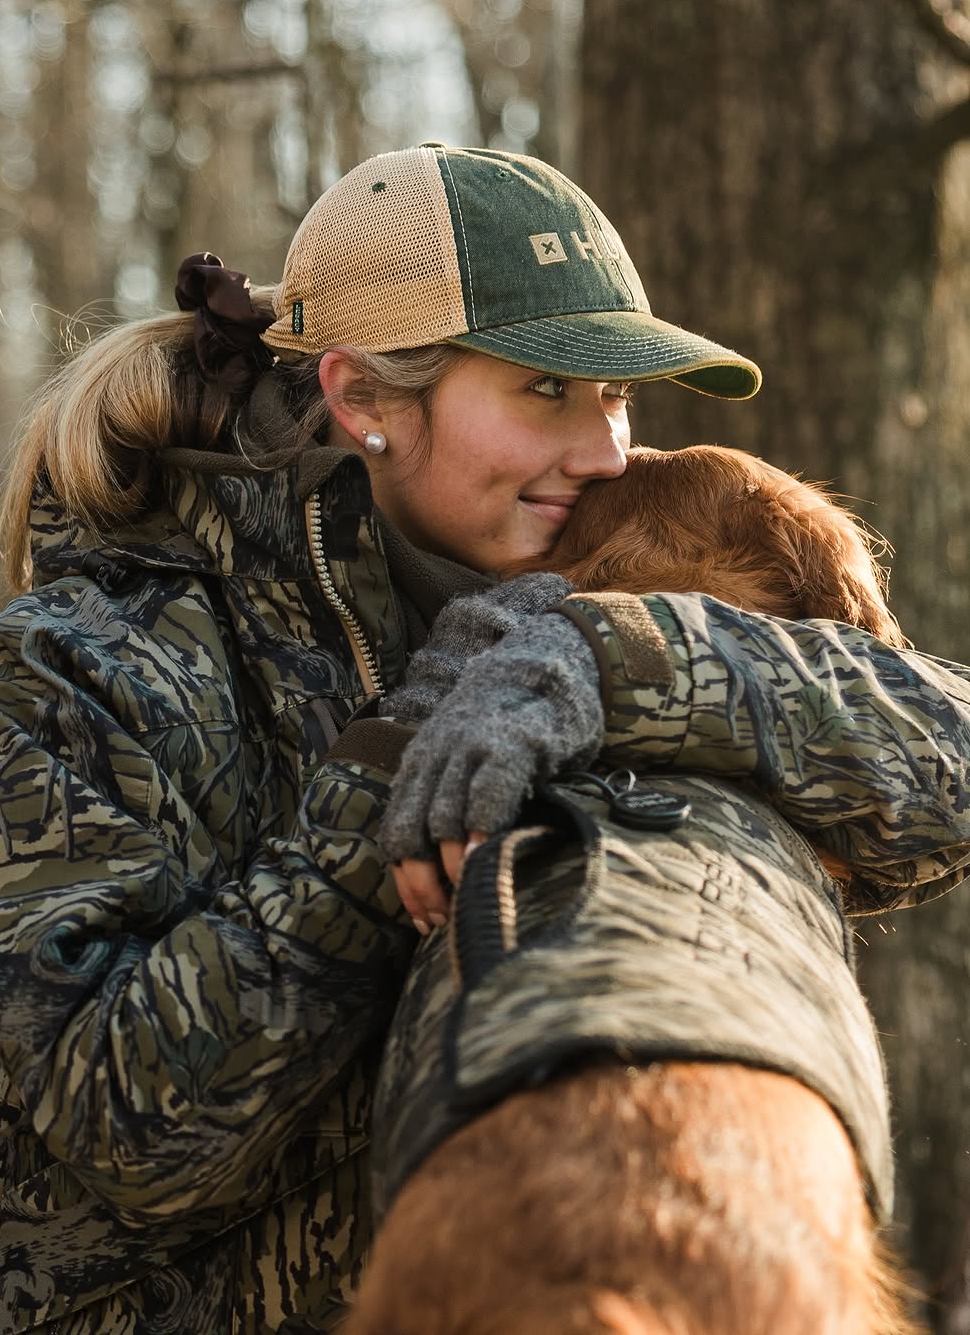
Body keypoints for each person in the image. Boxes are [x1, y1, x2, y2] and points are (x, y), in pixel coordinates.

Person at [0, 143, 970, 1335]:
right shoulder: (67, 667)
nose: (606, 449)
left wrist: (610, 665)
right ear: (363, 396)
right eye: (545, 390)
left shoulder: (563, 576)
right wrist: (396, 770)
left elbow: (944, 771)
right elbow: (132, 1127)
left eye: (614, 392)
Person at [340, 446, 925, 1334]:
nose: (609, 446)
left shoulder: (463, 712)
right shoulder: (840, 732)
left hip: (457, 1194)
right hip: (757, 1198)